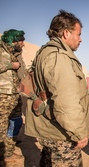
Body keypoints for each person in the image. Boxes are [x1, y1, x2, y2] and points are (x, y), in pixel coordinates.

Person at [24, 10, 89, 166]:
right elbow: (66, 101)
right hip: (62, 135)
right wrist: (79, 132)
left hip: (52, 130)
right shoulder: (58, 57)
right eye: (78, 34)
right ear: (66, 33)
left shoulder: (46, 52)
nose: (80, 39)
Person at [0, 29, 26, 165]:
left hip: (15, 94)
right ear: (13, 40)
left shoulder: (17, 53)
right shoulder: (1, 50)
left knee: (16, 121)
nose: (23, 44)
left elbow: (23, 72)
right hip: (3, 94)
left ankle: (9, 146)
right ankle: (5, 154)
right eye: (21, 41)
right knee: (2, 124)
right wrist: (10, 65)